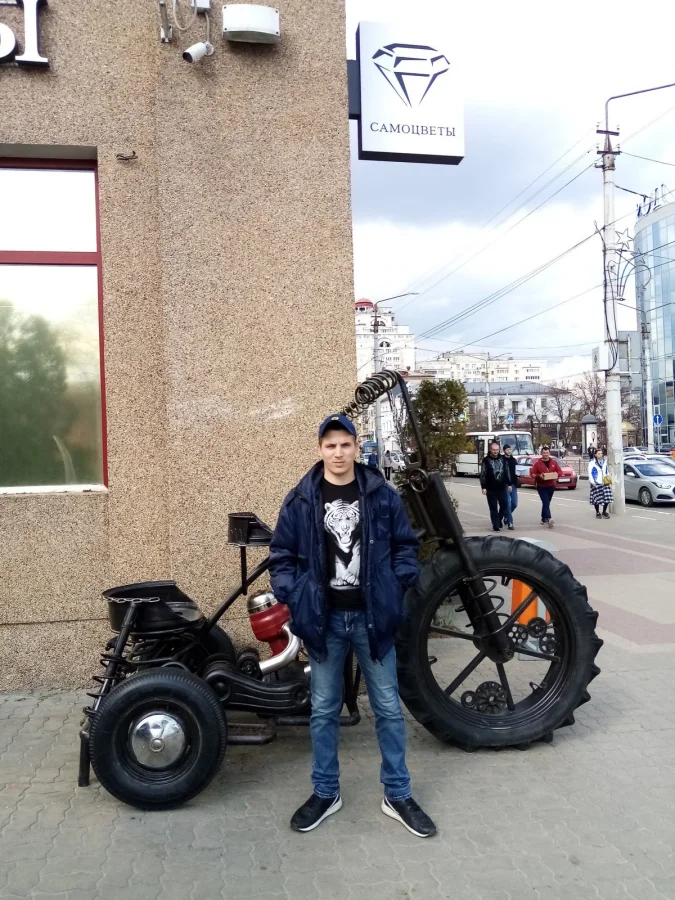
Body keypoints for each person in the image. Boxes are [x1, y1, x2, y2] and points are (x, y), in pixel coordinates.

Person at [269, 413, 436, 838]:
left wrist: (396, 584)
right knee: (324, 709)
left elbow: (405, 546)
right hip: (323, 619)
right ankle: (325, 792)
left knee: (388, 708)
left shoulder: (380, 495)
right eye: (331, 445)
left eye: (345, 444)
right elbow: (281, 555)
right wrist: (296, 593)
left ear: (357, 447)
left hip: (371, 617)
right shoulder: (301, 499)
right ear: (319, 449)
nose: (339, 452)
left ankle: (397, 794)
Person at [479, 440, 512, 533]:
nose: (495, 451)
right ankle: (495, 525)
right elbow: (483, 473)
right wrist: (483, 487)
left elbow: (507, 470)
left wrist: (509, 483)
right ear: (490, 450)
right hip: (490, 487)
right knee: (493, 507)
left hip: (502, 487)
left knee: (504, 504)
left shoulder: (502, 459)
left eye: (497, 450)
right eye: (494, 450)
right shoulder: (486, 460)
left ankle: (499, 518)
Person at [531, 445, 563, 527]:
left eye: (547, 453)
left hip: (551, 486)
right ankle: (549, 518)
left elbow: (560, 472)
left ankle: (543, 518)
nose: (545, 454)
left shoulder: (553, 462)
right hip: (541, 486)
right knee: (545, 502)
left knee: (547, 503)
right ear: (541, 453)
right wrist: (539, 476)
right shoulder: (537, 464)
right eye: (544, 453)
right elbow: (532, 474)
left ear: (549, 453)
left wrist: (556, 474)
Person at [588, 448, 613, 519]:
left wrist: (608, 476)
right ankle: (597, 512)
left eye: (601, 453)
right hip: (596, 482)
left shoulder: (604, 461)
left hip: (605, 482)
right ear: (595, 455)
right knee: (597, 499)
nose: (600, 455)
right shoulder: (592, 462)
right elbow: (590, 473)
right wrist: (592, 482)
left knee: (607, 498)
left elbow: (606, 471)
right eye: (598, 453)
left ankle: (604, 512)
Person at [502, 444, 518, 531]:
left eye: (510, 449)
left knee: (514, 503)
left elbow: (517, 470)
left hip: (513, 484)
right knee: (508, 503)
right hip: (505, 485)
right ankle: (510, 522)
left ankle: (506, 515)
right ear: (504, 451)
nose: (509, 451)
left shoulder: (513, 460)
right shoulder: (502, 460)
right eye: (507, 449)